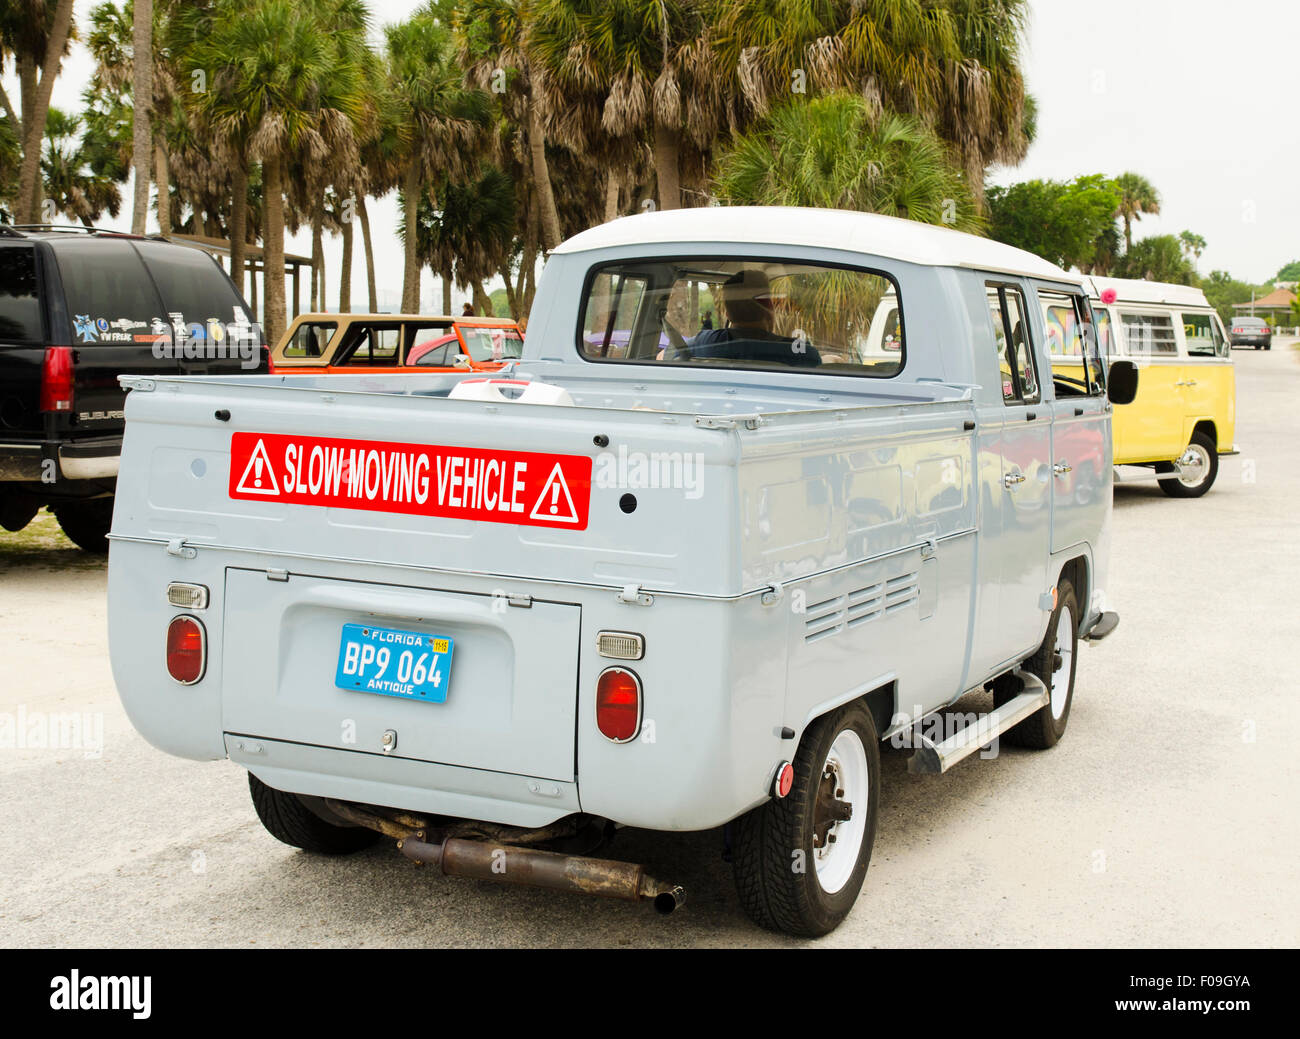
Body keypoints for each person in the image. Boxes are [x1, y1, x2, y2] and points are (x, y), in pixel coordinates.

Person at [675, 268, 820, 367]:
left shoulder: (704, 341)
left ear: (727, 313)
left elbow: (671, 355)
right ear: (769, 305)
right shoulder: (802, 352)